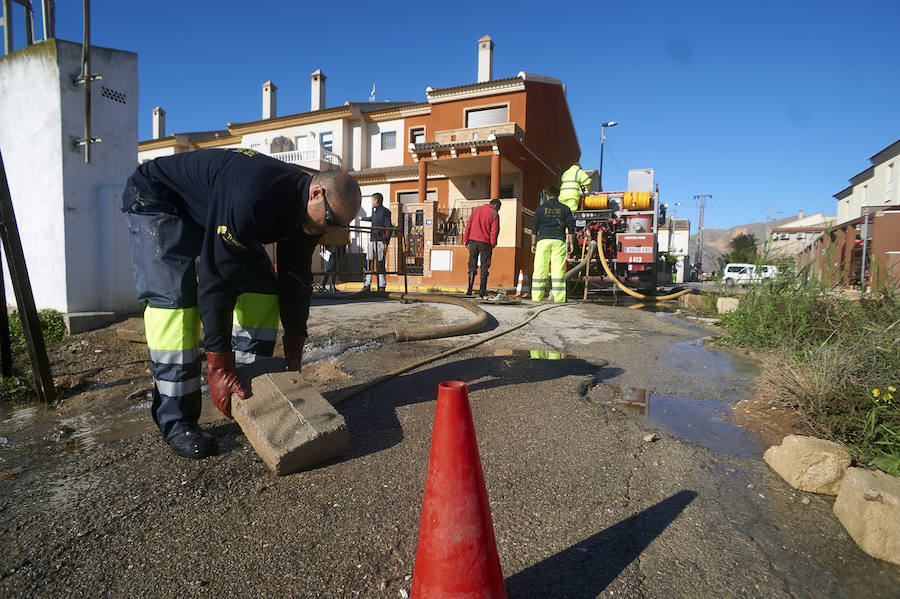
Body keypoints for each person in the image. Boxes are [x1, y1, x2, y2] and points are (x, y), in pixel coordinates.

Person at [122, 148, 361, 459]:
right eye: (331, 220)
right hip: (159, 198)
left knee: (261, 289)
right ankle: (177, 421)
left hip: (211, 208)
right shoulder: (255, 196)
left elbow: (295, 281)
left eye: (337, 226)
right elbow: (216, 279)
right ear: (316, 193)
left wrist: (294, 350)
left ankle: (251, 388)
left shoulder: (308, 217)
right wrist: (218, 365)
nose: (330, 231)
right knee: (176, 303)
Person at [530, 186, 575, 303]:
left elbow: (534, 228)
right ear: (558, 195)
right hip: (558, 241)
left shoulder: (540, 209)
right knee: (558, 270)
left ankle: (536, 297)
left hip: (543, 241)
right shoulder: (565, 209)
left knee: (540, 268)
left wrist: (533, 244)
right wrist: (571, 244)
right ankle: (559, 298)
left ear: (547, 196)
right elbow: (570, 229)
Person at [462, 199, 501, 298]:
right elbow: (494, 231)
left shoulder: (475, 210)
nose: (499, 210)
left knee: (472, 264)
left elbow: (468, 226)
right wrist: (492, 244)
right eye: (499, 208)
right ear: (496, 205)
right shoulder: (494, 214)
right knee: (484, 266)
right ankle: (482, 291)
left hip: (473, 241)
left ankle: (469, 289)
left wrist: (465, 240)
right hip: (485, 243)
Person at [361, 192, 392, 292]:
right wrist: (363, 219)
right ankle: (367, 285)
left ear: (376, 201)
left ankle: (382, 286)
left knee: (380, 264)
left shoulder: (385, 212)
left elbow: (389, 227)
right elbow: (372, 219)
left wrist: (386, 242)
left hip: (380, 241)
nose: (371, 202)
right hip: (372, 240)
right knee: (369, 262)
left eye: (372, 200)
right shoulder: (375, 211)